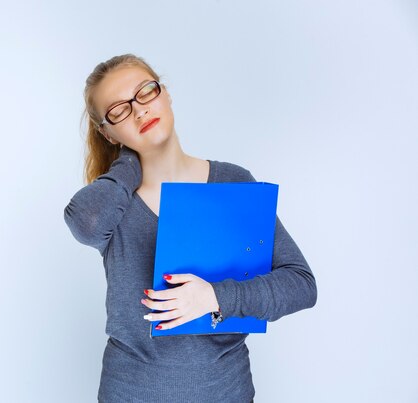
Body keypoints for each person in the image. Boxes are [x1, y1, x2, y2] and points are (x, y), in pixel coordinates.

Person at [63, 54, 317, 403]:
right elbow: (85, 221)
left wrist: (214, 297)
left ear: (164, 93)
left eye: (145, 93)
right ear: (107, 133)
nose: (139, 111)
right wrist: (129, 165)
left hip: (225, 392)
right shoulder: (114, 203)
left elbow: (301, 285)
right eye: (119, 110)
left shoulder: (232, 183)